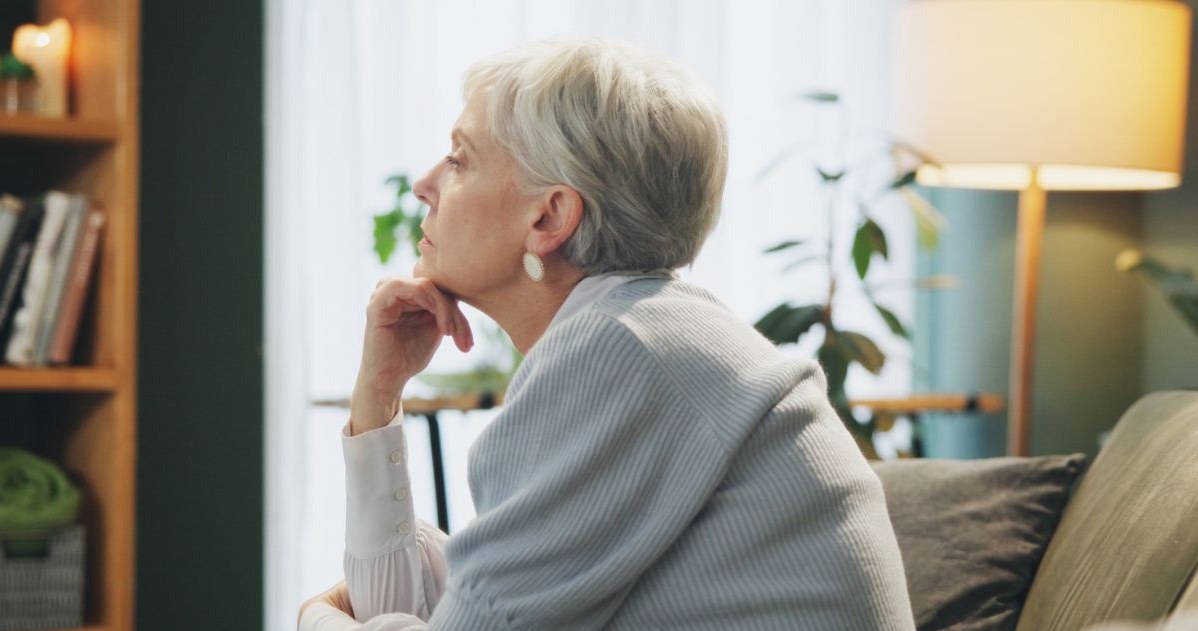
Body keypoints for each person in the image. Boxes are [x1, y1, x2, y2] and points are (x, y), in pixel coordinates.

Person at [298, 37, 914, 631]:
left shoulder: (621, 348)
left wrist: (315, 619)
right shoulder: (643, 331)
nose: (425, 183)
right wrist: (378, 395)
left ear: (550, 217)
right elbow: (440, 608)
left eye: (460, 159)